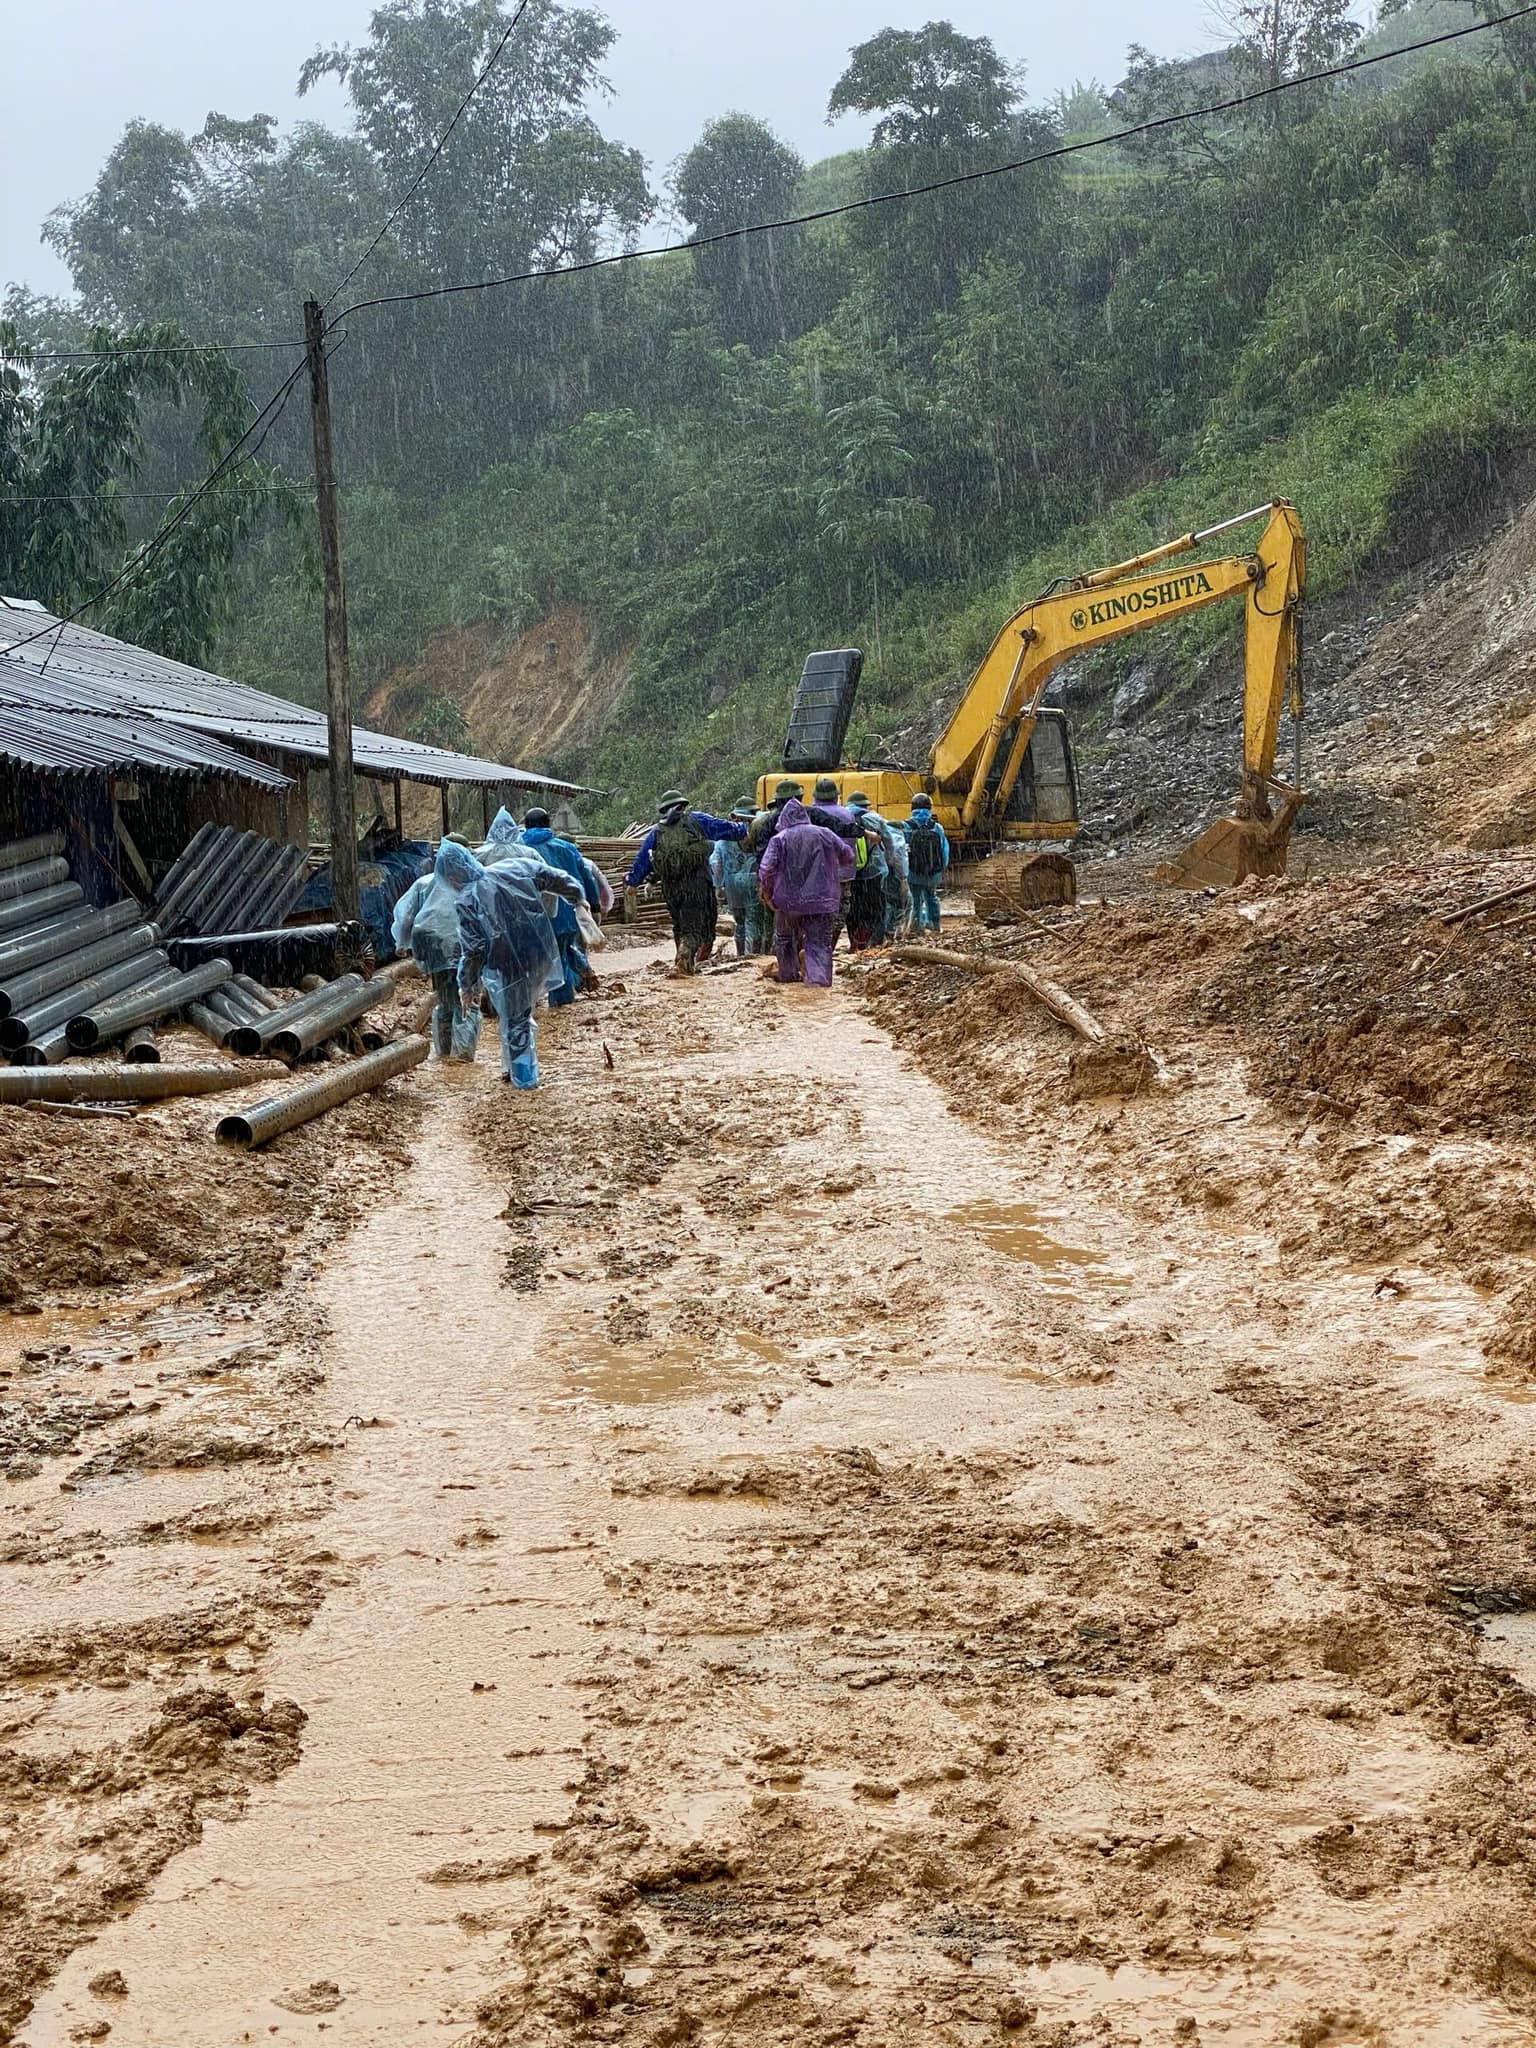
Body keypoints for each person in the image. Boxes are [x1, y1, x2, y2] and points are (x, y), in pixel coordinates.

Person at [456, 852, 585, 1087]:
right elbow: (556, 877)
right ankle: (514, 1069)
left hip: (505, 961)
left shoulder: (467, 898)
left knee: (515, 1016)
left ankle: (524, 1078)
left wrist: (467, 984)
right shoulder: (515, 867)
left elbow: (474, 950)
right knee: (518, 1014)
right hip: (538, 951)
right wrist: (577, 897)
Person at [624, 791, 747, 975]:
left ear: (664, 810)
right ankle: (684, 958)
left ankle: (684, 964)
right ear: (683, 806)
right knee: (694, 927)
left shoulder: (656, 832)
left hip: (670, 888)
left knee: (679, 926)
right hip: (697, 884)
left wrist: (633, 882)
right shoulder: (697, 820)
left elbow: (643, 859)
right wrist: (744, 827)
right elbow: (728, 830)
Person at [391, 841, 483, 1062]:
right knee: (467, 1000)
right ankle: (461, 1057)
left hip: (434, 951)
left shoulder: (424, 883)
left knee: (445, 1001)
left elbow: (406, 917)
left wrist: (403, 944)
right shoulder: (471, 884)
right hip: (465, 950)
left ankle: (443, 1054)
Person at [758, 797, 856, 989]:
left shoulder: (780, 839)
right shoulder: (825, 833)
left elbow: (766, 869)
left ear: (784, 819)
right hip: (822, 900)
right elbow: (848, 855)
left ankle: (789, 979)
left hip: (788, 903)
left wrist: (767, 894)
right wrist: (830, 866)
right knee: (819, 943)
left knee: (785, 940)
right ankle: (817, 985)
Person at [521, 806, 602, 1005]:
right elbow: (586, 878)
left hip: (530, 917)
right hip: (566, 914)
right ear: (548, 825)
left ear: (526, 826)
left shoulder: (518, 849)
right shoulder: (566, 848)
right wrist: (594, 905)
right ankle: (563, 1004)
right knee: (562, 954)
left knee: (533, 962)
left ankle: (534, 1009)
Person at [845, 792, 899, 951]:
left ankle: (855, 943)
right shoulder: (875, 819)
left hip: (850, 873)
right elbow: (890, 843)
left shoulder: (843, 818)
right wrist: (891, 865)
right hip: (874, 872)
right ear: (866, 805)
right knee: (877, 909)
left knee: (853, 909)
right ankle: (875, 944)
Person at [710, 802, 760, 957]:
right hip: (753, 881)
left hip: (732, 884)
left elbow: (715, 862)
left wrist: (718, 886)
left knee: (739, 922)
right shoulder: (756, 832)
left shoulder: (724, 838)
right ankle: (751, 956)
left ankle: (740, 955)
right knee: (752, 921)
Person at [902, 792, 950, 933]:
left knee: (915, 900)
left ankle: (917, 927)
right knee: (932, 897)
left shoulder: (907, 826)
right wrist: (940, 868)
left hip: (914, 872)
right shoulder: (936, 827)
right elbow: (944, 849)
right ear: (929, 808)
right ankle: (934, 925)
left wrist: (904, 871)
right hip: (932, 872)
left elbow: (902, 849)